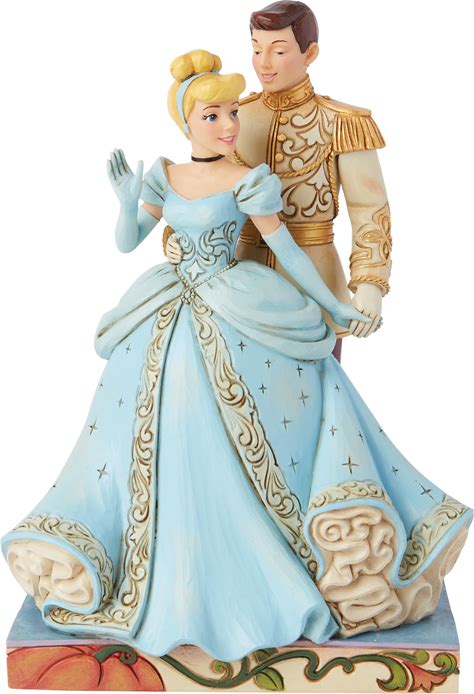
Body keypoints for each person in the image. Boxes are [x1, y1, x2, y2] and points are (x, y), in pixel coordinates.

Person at [2, 50, 471, 662]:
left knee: (270, 415)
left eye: (230, 113)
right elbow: (128, 241)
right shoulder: (164, 175)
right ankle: (168, 559)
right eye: (213, 115)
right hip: (166, 309)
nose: (228, 125)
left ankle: (261, 559)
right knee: (156, 424)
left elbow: (289, 251)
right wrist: (124, 202)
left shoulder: (248, 179)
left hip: (238, 302)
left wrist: (337, 303)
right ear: (186, 122)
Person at [165, 1, 391, 363]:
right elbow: (203, 185)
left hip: (314, 284)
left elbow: (370, 210)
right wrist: (176, 238)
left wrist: (369, 282)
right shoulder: (234, 115)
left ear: (309, 53)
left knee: (316, 386)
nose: (264, 64)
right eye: (257, 50)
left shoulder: (343, 123)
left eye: (279, 51)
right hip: (236, 285)